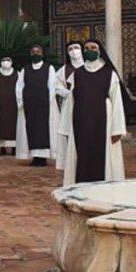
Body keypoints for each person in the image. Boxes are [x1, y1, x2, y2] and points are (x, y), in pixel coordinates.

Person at [58, 39, 126, 186]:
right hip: (80, 122)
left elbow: (117, 101)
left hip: (103, 122)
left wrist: (117, 129)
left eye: (93, 47)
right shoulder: (78, 74)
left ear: (99, 50)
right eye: (87, 48)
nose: (90, 50)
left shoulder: (109, 74)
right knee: (81, 154)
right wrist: (65, 128)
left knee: (103, 157)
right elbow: (71, 100)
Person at [16, 45, 59, 167]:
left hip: (44, 103)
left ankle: (43, 157)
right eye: (33, 52)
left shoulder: (49, 68)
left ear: (42, 54)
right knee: (31, 129)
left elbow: (52, 85)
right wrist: (21, 102)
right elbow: (19, 87)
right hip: (29, 104)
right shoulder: (25, 69)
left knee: (43, 129)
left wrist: (47, 100)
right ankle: (34, 156)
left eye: (38, 52)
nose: (36, 54)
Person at [54, 41, 84, 169]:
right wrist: (68, 93)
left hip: (89, 103)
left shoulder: (90, 66)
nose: (74, 51)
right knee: (69, 131)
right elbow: (56, 86)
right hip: (70, 104)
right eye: (70, 49)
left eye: (77, 48)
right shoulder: (64, 69)